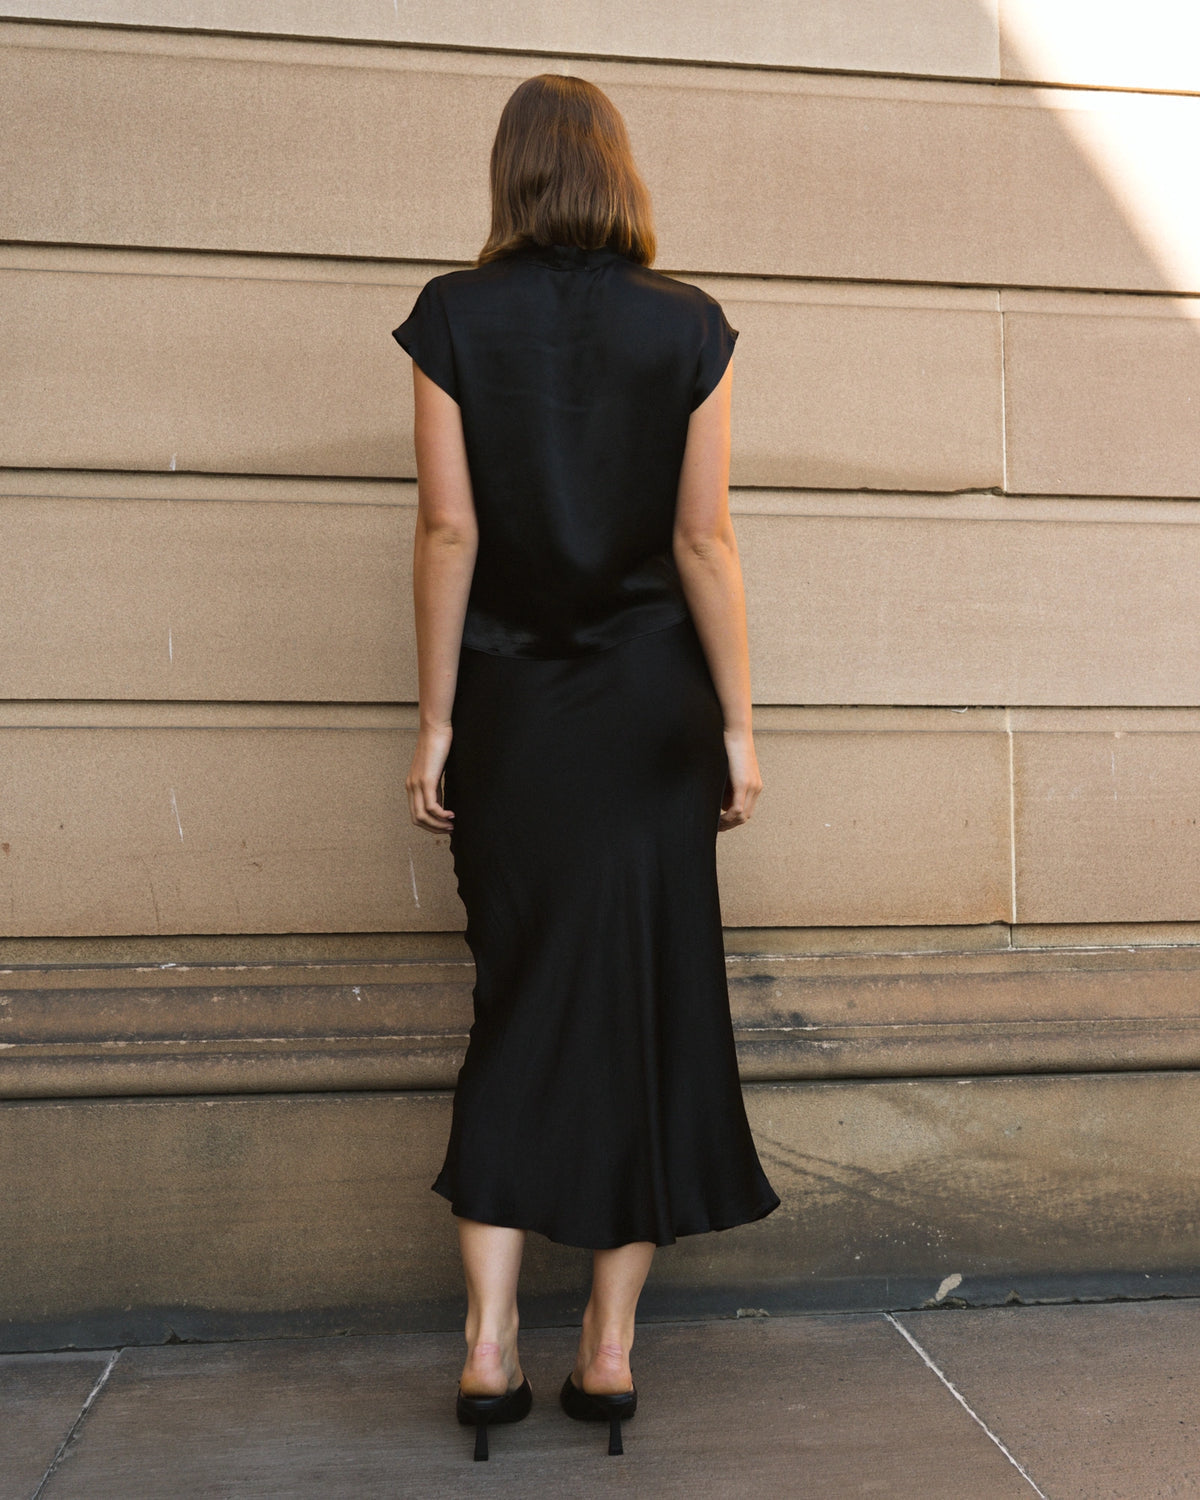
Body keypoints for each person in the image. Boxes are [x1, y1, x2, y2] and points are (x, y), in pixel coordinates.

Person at [392, 72, 781, 1462]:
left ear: (510, 176)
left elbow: (449, 535)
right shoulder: (691, 330)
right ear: (620, 174)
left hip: (512, 716)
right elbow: (702, 543)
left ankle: (489, 1346)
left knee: (520, 1002)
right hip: (647, 719)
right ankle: (607, 1353)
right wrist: (738, 722)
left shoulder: (453, 317)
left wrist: (436, 720)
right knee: (647, 1008)